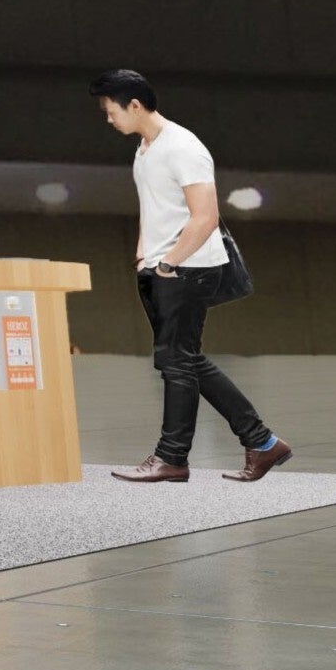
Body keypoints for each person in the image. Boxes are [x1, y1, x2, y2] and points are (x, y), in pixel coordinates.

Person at [94, 69, 289, 484]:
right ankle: (263, 442)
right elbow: (155, 208)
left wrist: (168, 264)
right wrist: (144, 257)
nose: (108, 119)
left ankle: (172, 458)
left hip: (189, 268)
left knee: (176, 363)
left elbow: (205, 217)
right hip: (160, 267)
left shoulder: (183, 147)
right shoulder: (145, 149)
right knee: (184, 359)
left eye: (111, 111)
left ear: (134, 105)